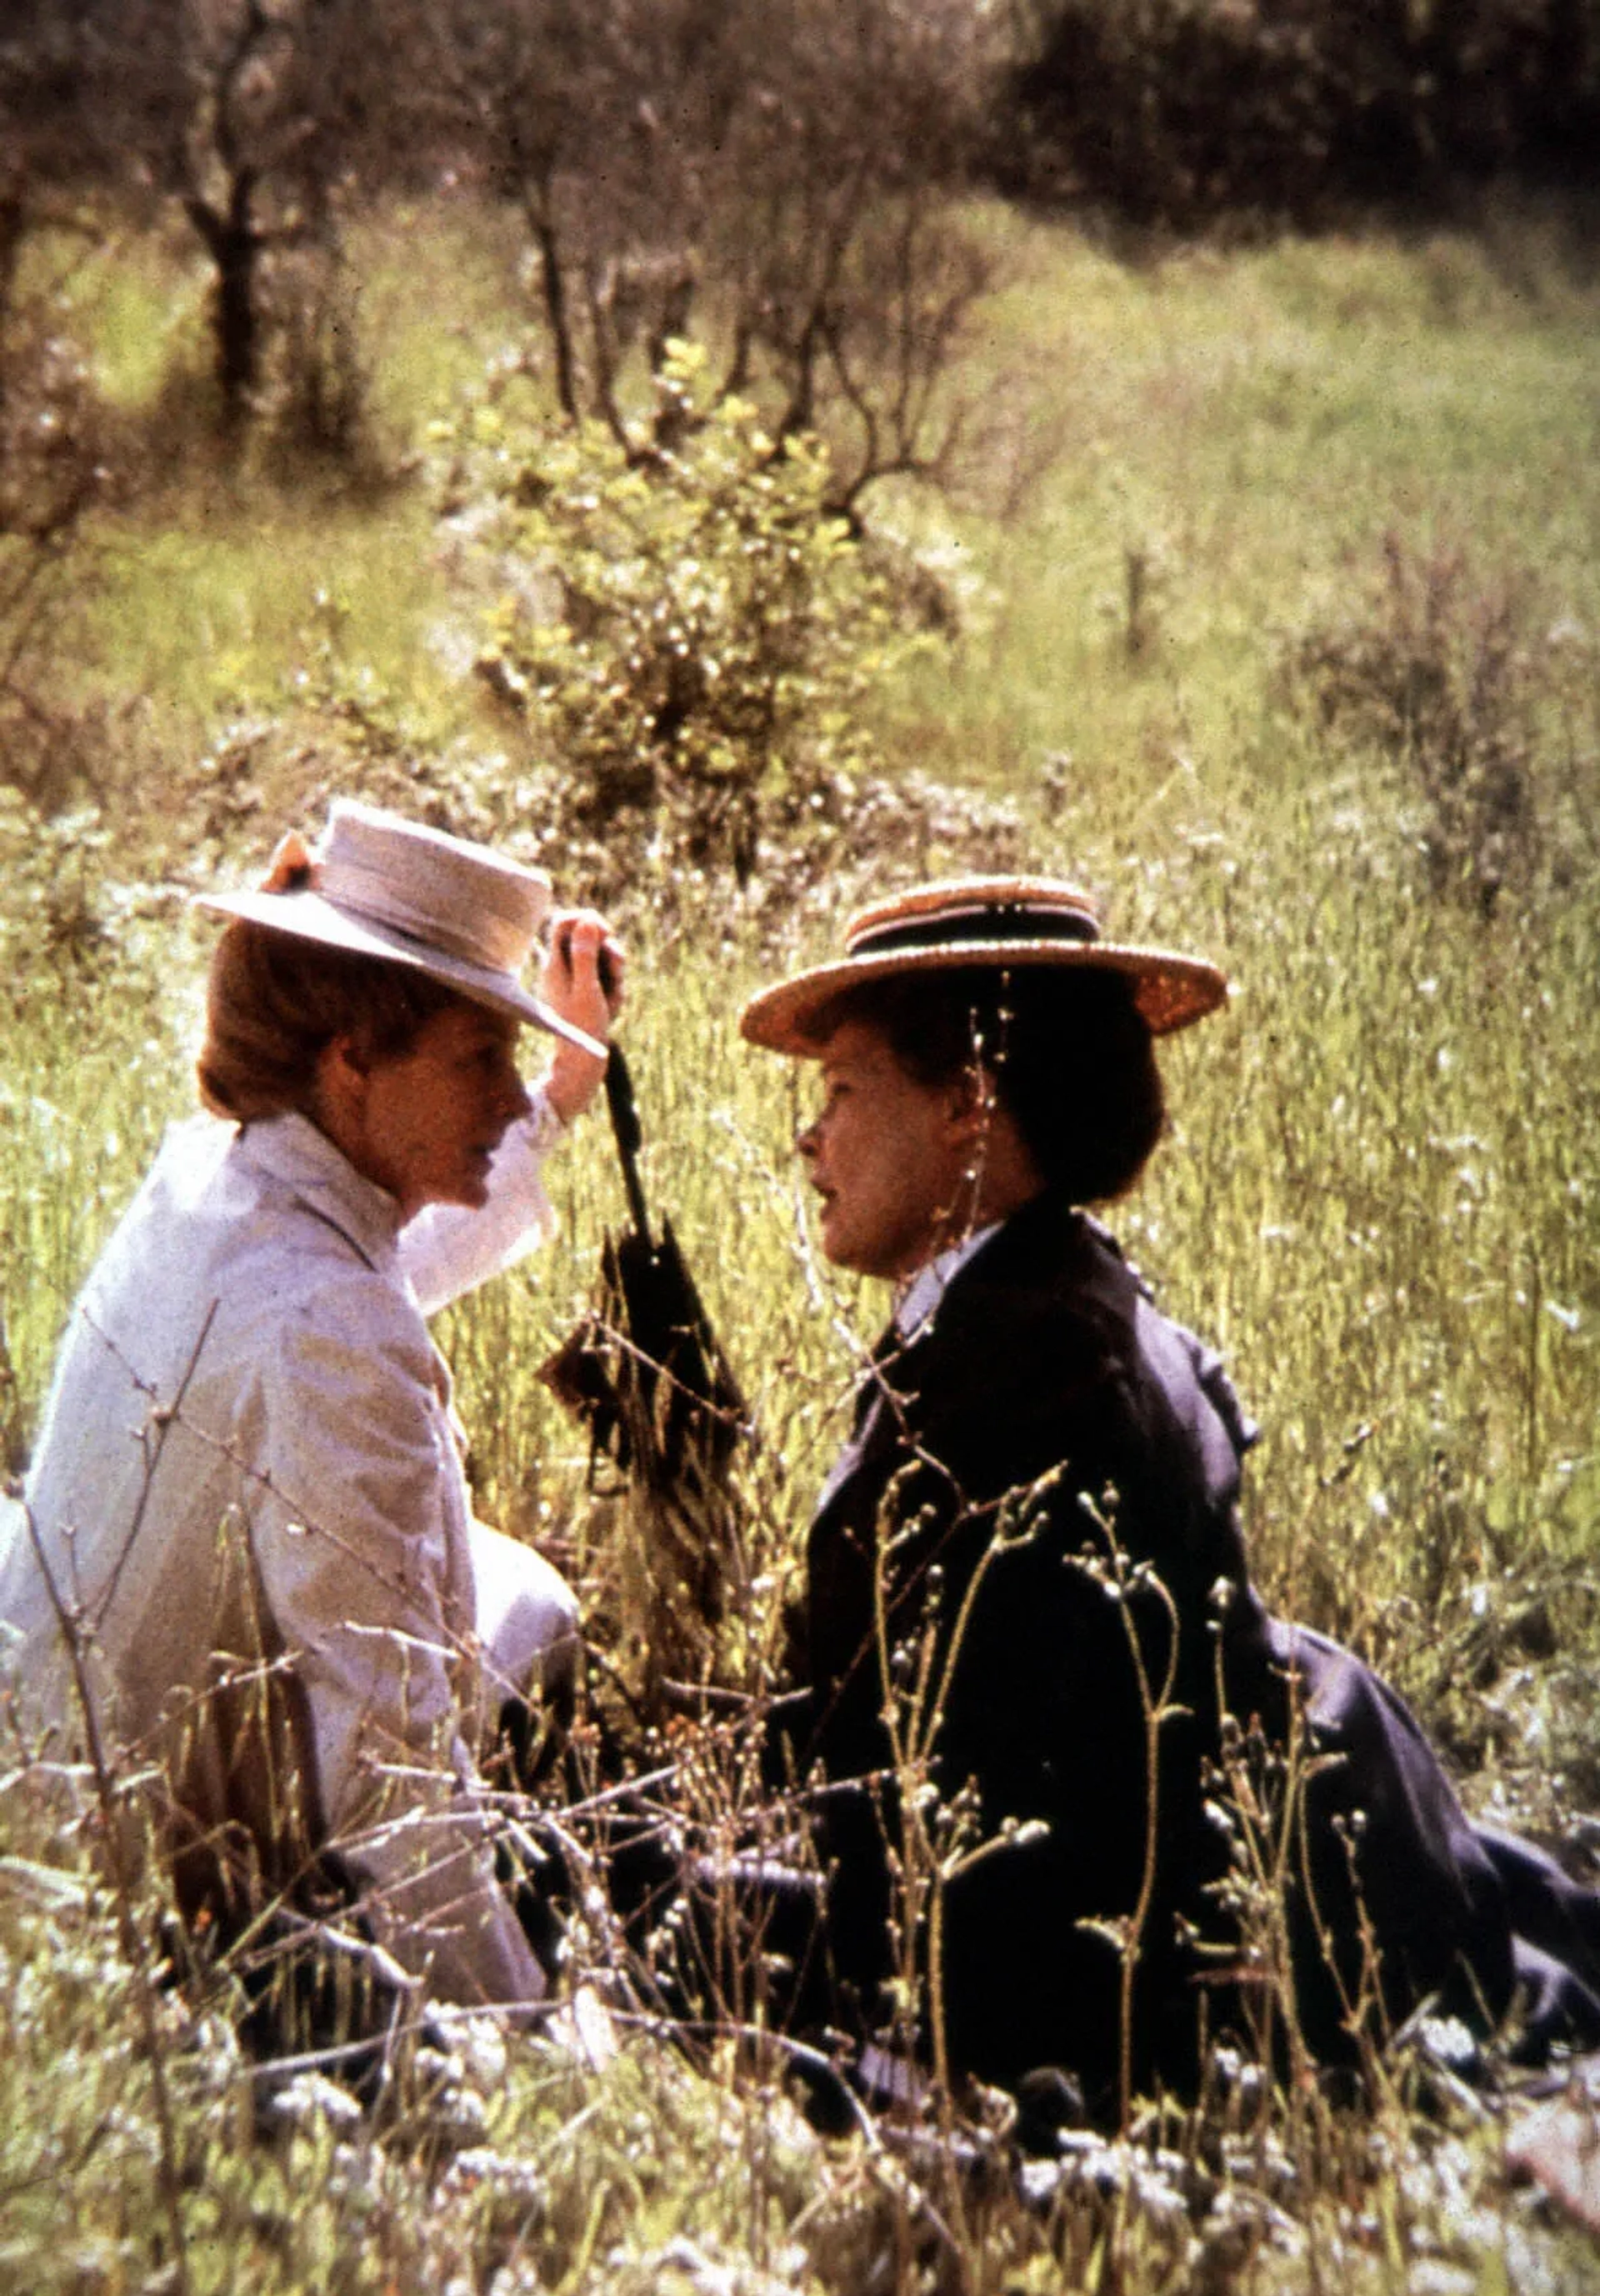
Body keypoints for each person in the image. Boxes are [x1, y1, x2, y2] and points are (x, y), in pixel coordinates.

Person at [739, 876, 1600, 2128]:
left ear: (970, 1104)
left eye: (842, 1092)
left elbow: (989, 1838)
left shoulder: (1031, 1376)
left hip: (1137, 1986)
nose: (808, 1141)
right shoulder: (1038, 1303)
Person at [0, 800, 621, 2024]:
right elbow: (389, 1780)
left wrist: (560, 1091)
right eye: (477, 1061)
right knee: (514, 1629)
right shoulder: (332, 1331)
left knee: (523, 1595)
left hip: (44, 1755)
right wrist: (536, 2052)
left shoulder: (222, 1173)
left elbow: (379, 1259)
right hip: (140, 1894)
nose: (502, 1101)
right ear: (351, 1061)